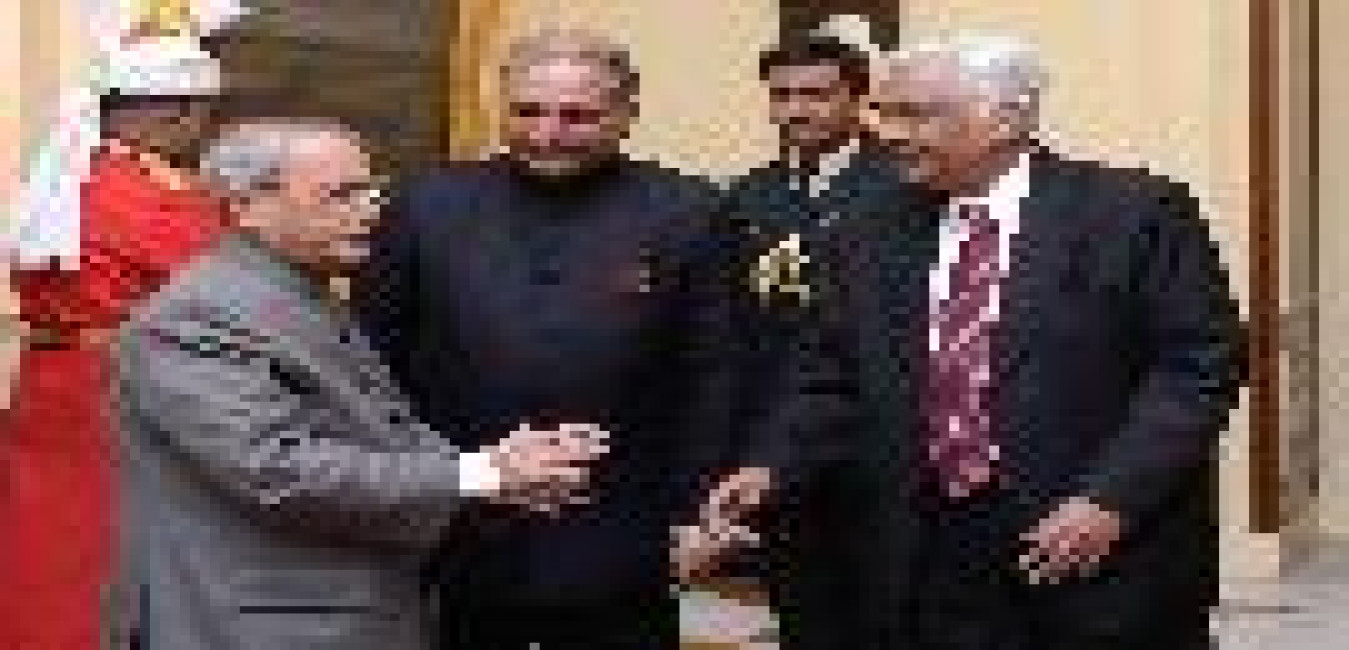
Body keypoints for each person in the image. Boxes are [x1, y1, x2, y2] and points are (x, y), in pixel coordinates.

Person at [740, 34, 1241, 649]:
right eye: (886, 113)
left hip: (1095, 543)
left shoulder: (1134, 215)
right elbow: (831, 378)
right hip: (923, 551)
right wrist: (772, 464)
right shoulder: (866, 231)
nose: (890, 134)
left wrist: (1111, 499)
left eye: (916, 115)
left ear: (1006, 119)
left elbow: (1197, 369)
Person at [117, 118, 609, 650]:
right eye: (342, 195)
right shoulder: (198, 316)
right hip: (267, 626)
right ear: (248, 208)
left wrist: (507, 470)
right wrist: (479, 472)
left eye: (372, 189)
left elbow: (376, 433)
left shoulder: (298, 291)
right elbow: (275, 469)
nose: (373, 208)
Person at [355, 29, 737, 650]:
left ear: (626, 115)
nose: (546, 134)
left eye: (576, 116)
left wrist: (697, 513)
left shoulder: (690, 212)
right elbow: (374, 362)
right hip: (460, 522)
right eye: (527, 112)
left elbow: (714, 371)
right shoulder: (426, 205)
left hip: (621, 529)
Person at [687, 33, 920, 650]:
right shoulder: (746, 196)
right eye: (782, 95)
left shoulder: (905, 185)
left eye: (816, 95)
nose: (796, 110)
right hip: (777, 442)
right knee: (803, 608)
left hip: (876, 435)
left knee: (888, 610)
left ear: (858, 99)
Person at [1, 34, 228, 650]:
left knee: (39, 540)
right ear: (175, 113)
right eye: (205, 115)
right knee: (96, 551)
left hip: (47, 380)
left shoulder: (65, 177)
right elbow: (224, 280)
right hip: (119, 387)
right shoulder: (156, 198)